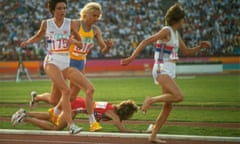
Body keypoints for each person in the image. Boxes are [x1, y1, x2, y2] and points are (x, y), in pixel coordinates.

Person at [121, 3, 211, 144]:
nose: (184, 21)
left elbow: (186, 51)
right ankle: (150, 100)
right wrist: (132, 57)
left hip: (171, 69)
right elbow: (146, 41)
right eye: (183, 19)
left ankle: (153, 136)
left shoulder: (175, 34)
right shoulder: (166, 30)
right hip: (161, 68)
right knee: (178, 96)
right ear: (178, 19)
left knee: (168, 106)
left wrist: (200, 47)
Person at [20, 0, 102, 134]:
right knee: (66, 91)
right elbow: (39, 36)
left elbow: (81, 44)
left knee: (87, 89)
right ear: (52, 10)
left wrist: (73, 41)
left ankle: (54, 110)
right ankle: (71, 125)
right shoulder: (47, 23)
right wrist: (28, 42)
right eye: (59, 8)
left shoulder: (71, 23)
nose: (63, 11)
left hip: (66, 63)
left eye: (64, 8)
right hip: (51, 61)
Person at [29, 2, 113, 108]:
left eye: (97, 16)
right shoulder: (75, 24)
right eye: (93, 15)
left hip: (80, 64)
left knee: (71, 97)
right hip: (66, 62)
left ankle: (57, 116)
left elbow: (104, 50)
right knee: (54, 99)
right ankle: (37, 98)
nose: (96, 18)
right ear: (86, 14)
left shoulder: (95, 30)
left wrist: (108, 46)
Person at [11, 97, 138, 132]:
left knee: (51, 116)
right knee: (56, 128)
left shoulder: (111, 106)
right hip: (74, 107)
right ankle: (25, 118)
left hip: (76, 101)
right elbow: (122, 129)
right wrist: (141, 133)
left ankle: (25, 112)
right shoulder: (113, 114)